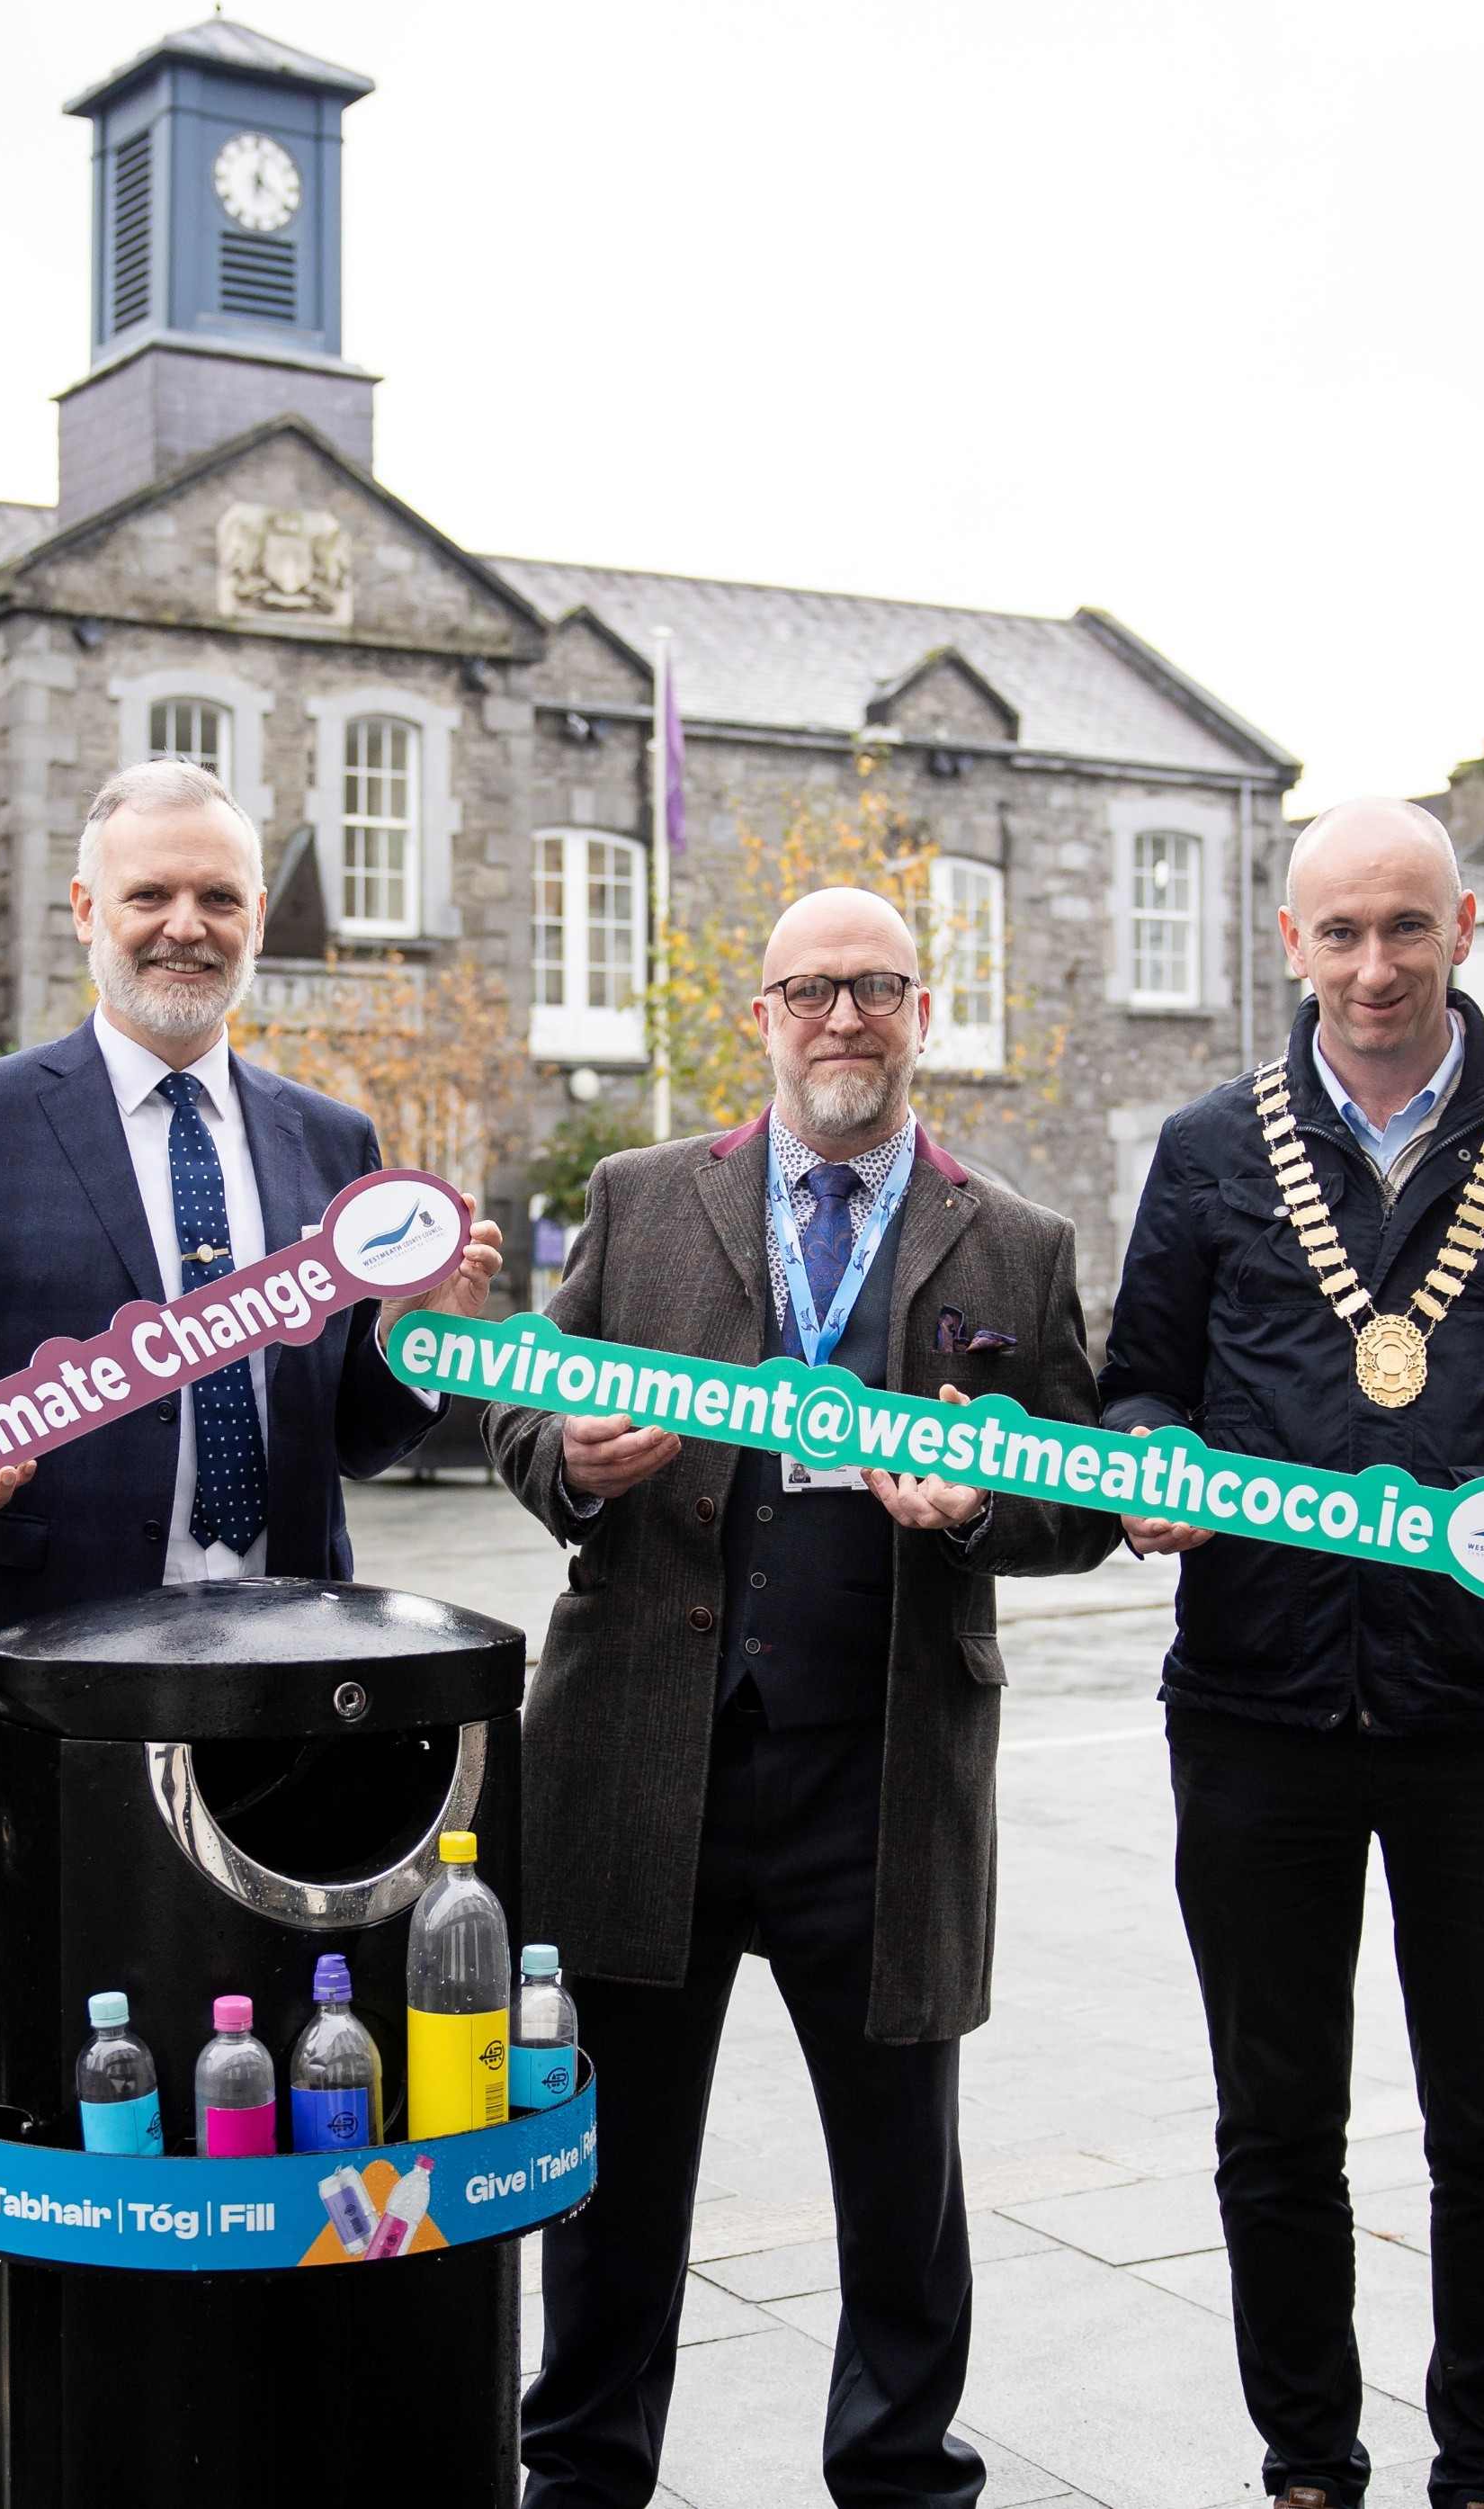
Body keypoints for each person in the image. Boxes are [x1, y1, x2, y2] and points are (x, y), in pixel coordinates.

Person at [0, 757, 502, 2506]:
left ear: (256, 923)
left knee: (282, 2085)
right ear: (87, 914)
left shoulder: (326, 1143)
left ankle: (259, 2434)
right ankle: (28, 2454)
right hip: (59, 1727)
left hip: (299, 1717)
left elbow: (348, 1436)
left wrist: (411, 1336)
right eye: (152, 897)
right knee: (53, 2095)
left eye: (220, 898)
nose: (188, 927)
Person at [490, 887, 1119, 2509]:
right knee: (607, 2167)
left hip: (884, 1774)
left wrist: (982, 1506)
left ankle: (902, 2469)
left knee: (903, 2171)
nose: (844, 1018)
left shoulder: (1017, 1242)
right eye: (810, 991)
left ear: (920, 1011)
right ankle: (584, 2470)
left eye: (877, 989)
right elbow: (518, 1408)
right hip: (644, 1759)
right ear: (760, 1015)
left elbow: (1088, 1498)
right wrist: (564, 1458)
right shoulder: (638, 1204)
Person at [1096, 797, 1484, 2509]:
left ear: (1465, 927)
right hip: (1255, 1708)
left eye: (1404, 929)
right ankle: (1307, 2465)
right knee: (1275, 2130)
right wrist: (1152, 1472)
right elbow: (1142, 1377)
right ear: (1290, 942)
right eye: (1339, 933)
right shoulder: (1214, 1145)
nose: (1373, 966)